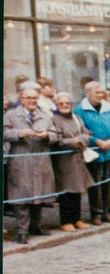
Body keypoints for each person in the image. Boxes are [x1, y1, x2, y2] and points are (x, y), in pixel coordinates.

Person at [4, 83, 56, 243]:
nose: (32, 101)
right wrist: (19, 133)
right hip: (21, 160)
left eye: (35, 97)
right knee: (21, 197)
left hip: (41, 160)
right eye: (28, 98)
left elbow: (55, 134)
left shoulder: (45, 115)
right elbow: (4, 132)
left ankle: (36, 225)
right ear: (22, 99)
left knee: (39, 195)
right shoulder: (12, 115)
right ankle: (22, 231)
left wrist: (47, 135)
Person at [74, 81, 110, 225]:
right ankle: (95, 213)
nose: (101, 95)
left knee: (108, 183)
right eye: (97, 92)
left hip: (109, 151)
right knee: (94, 184)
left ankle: (106, 212)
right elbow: (81, 130)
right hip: (93, 152)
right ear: (88, 93)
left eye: (102, 92)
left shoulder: (109, 108)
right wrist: (97, 141)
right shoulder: (80, 110)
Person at [48, 91, 93, 230]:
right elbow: (57, 139)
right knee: (66, 191)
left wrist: (83, 140)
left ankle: (77, 218)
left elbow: (87, 133)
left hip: (78, 160)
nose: (64, 105)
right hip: (64, 161)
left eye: (67, 103)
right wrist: (75, 141)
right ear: (56, 105)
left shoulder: (77, 117)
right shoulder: (54, 119)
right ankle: (65, 221)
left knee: (78, 190)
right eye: (61, 103)